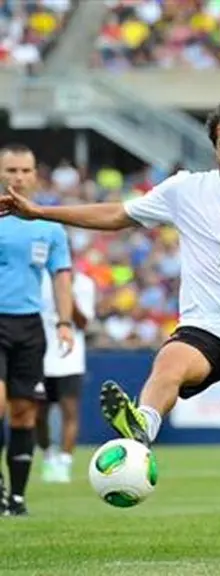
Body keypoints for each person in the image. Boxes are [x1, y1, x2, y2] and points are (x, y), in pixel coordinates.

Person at [0, 100, 220, 546]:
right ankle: (143, 426)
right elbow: (118, 214)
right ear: (214, 148)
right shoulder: (186, 189)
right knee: (171, 361)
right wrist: (41, 212)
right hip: (205, 327)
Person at [0, 144, 74, 515]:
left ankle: (16, 497)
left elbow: (61, 276)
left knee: (24, 414)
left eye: (25, 170)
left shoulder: (48, 224)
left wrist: (64, 321)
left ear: (35, 174)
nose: (18, 177)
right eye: (11, 170)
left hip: (30, 325)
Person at [37, 266, 97, 483]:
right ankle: (48, 454)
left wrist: (66, 293)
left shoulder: (84, 283)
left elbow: (82, 323)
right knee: (38, 415)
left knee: (69, 411)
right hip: (40, 357)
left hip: (69, 359)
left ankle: (64, 461)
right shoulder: (39, 279)